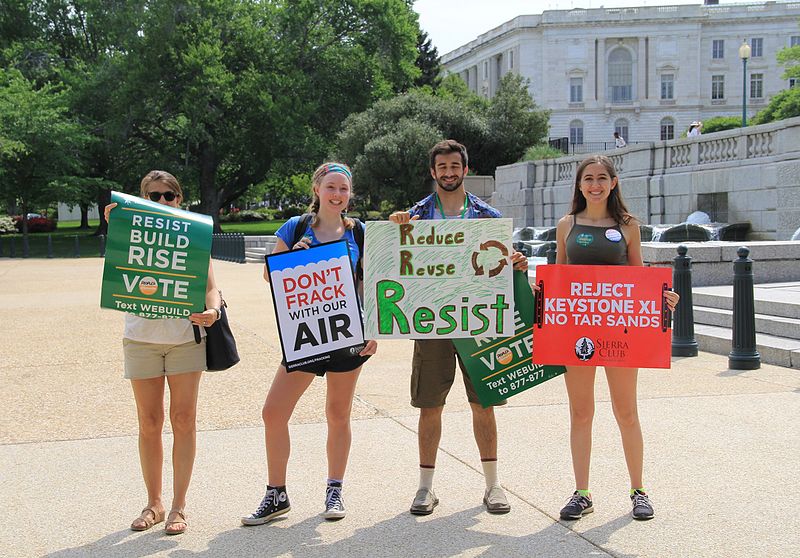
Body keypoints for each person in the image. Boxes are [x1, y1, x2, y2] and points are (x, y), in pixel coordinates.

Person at [389, 139, 528, 516]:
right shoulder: (413, 218)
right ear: (433, 172)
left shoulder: (488, 218)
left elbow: (503, 269)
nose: (449, 173)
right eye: (442, 168)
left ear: (465, 170)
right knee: (429, 405)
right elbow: (389, 263)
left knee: (483, 404)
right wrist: (394, 231)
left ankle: (493, 486)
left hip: (478, 322)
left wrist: (517, 263)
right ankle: (425, 488)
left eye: (455, 167)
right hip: (432, 322)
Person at [242, 162, 377, 526]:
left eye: (344, 189)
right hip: (304, 333)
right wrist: (292, 256)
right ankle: (276, 494)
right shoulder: (295, 227)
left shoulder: (359, 232)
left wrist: (372, 330)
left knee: (338, 414)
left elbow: (368, 284)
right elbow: (271, 276)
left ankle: (334, 489)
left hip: (347, 335)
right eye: (331, 187)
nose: (338, 195)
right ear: (316, 189)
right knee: (274, 412)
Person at [554, 155, 679, 521]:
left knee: (626, 411)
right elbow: (559, 275)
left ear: (613, 183)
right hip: (577, 330)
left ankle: (638, 490)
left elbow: (639, 277)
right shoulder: (566, 225)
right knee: (581, 413)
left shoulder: (628, 226)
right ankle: (582, 493)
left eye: (602, 178)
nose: (595, 184)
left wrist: (663, 297)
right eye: (588, 178)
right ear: (579, 185)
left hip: (620, 330)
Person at [105, 170, 222, 535]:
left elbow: (210, 287)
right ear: (142, 200)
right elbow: (117, 272)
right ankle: (153, 503)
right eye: (152, 196)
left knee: (184, 420)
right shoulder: (128, 233)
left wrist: (213, 311)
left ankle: (178, 507)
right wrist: (117, 223)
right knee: (149, 423)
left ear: (179, 200)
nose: (161, 202)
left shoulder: (193, 236)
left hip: (184, 338)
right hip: (141, 338)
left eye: (168, 196)